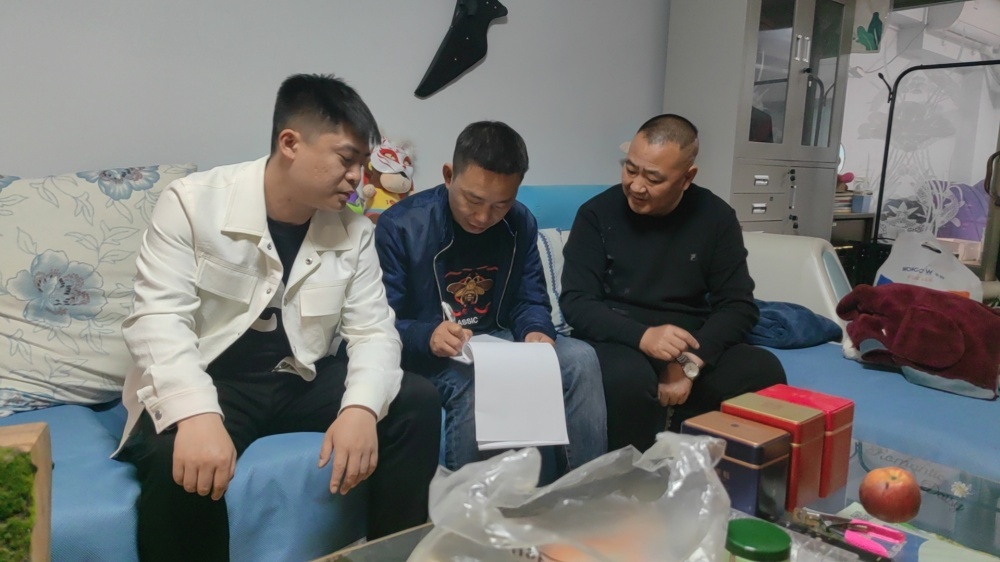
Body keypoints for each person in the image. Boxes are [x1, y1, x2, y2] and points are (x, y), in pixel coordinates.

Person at [114, 74, 441, 562]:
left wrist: (361, 409)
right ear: (290, 143)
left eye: (363, 163)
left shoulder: (354, 230)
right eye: (346, 159)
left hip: (299, 376)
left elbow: (374, 330)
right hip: (215, 376)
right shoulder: (192, 203)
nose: (358, 177)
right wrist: (196, 414)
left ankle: (393, 554)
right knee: (175, 455)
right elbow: (158, 319)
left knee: (415, 399)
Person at [374, 121, 607, 473]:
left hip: (498, 339)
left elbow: (530, 299)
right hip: (433, 353)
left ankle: (585, 491)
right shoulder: (401, 225)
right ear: (448, 175)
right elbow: (380, 322)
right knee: (475, 383)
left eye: (501, 204)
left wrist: (536, 330)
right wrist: (428, 335)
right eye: (473, 200)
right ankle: (470, 502)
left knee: (581, 358)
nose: (483, 217)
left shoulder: (519, 222)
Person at [559, 114, 786, 452]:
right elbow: (577, 302)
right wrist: (644, 337)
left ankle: (703, 466)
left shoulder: (716, 218)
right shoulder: (596, 214)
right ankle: (634, 476)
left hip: (688, 343)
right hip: (619, 338)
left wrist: (691, 362)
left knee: (762, 369)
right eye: (630, 170)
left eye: (653, 178)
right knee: (627, 379)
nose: (637, 186)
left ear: (687, 177)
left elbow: (738, 305)